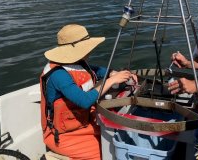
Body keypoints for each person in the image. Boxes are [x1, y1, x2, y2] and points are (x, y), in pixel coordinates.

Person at [40, 23, 136, 160]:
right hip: (62, 135)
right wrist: (112, 80)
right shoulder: (58, 75)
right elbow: (84, 101)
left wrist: (113, 73)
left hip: (82, 124)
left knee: (114, 138)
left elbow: (97, 70)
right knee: (103, 153)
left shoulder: (78, 63)